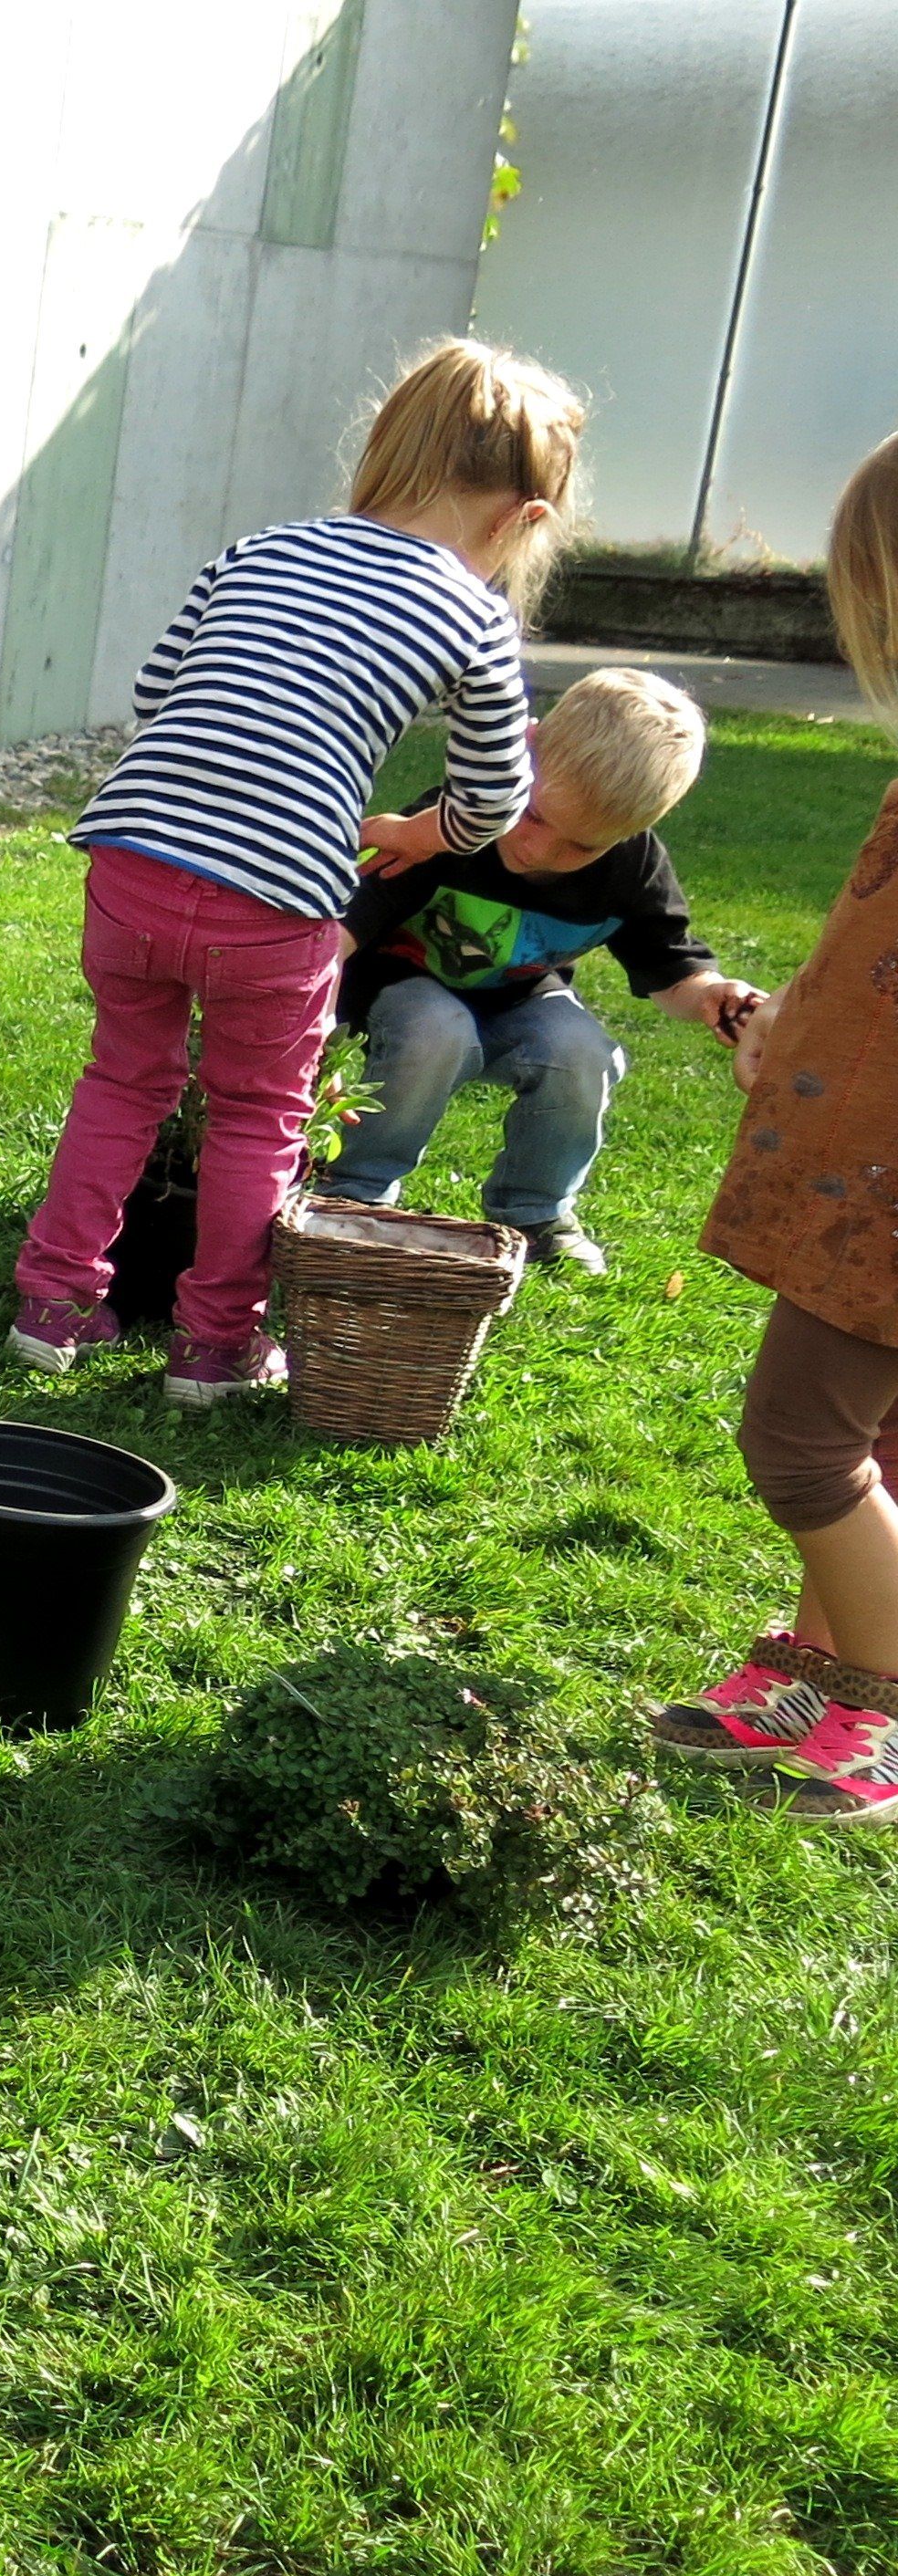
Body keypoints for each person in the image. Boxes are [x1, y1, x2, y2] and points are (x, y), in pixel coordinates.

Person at [8, 336, 581, 1404]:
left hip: (133, 853)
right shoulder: (474, 615)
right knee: (256, 1114)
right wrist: (418, 834)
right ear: (524, 517)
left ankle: (52, 1304)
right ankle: (215, 1345)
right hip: (275, 902)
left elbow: (155, 692)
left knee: (123, 1080)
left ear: (387, 447)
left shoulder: (262, 547)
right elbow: (495, 801)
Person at [652, 433, 898, 1808]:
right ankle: (823, 1674)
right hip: (865, 1162)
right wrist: (791, 1020)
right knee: (857, 1445)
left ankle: (886, 1703)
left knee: (800, 1444)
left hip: (889, 1188)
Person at [324, 667, 757, 1273]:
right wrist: (306, 1013)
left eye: (582, 846)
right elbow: (342, 930)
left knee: (583, 1053)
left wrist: (712, 994)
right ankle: (353, 1194)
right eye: (533, 816)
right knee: (437, 1029)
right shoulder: (453, 822)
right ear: (524, 750)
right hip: (396, 991)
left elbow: (672, 967)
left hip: (517, 998)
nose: (539, 851)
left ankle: (534, 1212)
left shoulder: (633, 866)